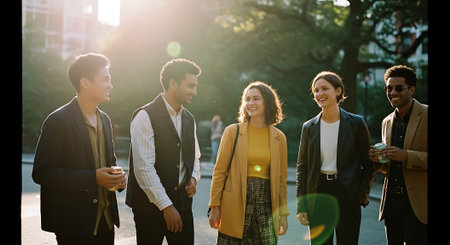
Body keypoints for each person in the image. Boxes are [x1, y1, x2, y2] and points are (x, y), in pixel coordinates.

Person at [32, 53, 127, 245]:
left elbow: (109, 162)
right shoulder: (58, 120)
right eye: (105, 79)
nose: (110, 85)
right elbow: (42, 173)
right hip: (73, 226)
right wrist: (93, 178)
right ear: (85, 82)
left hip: (106, 223)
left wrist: (118, 179)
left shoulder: (106, 120)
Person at [125, 58, 202, 244]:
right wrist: (166, 206)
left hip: (183, 206)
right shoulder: (144, 116)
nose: (195, 91)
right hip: (149, 209)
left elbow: (195, 156)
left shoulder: (189, 119)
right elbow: (143, 168)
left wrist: (193, 177)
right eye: (190, 86)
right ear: (173, 83)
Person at [296, 71, 375, 245]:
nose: (319, 94)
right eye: (316, 90)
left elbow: (369, 164)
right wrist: (302, 205)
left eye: (325, 88)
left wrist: (362, 195)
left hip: (347, 193)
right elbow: (303, 167)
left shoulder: (356, 123)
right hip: (319, 193)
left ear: (338, 91)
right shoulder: (309, 127)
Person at [208, 81, 289, 244]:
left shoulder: (279, 137)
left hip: (266, 205)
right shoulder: (233, 131)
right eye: (248, 99)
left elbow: (281, 178)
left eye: (256, 99)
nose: (251, 103)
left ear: (267, 101)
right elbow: (219, 171)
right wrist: (214, 206)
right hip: (235, 203)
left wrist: (283, 214)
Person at [368, 65, 427, 244]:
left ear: (412, 89)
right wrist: (378, 161)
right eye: (389, 88)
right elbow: (388, 166)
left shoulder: (426, 114)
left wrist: (407, 156)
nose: (393, 92)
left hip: (418, 204)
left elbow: (403, 157)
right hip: (391, 203)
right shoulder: (386, 121)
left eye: (398, 88)